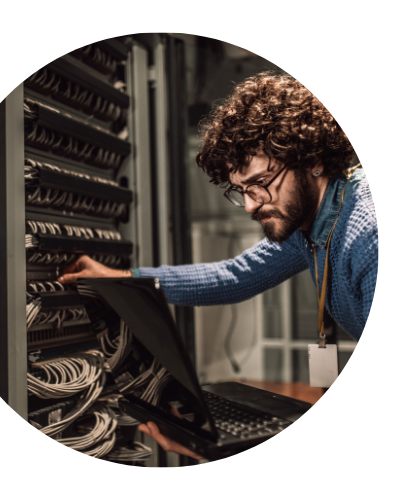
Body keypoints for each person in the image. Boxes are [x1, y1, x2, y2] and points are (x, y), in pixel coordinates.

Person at [57, 71, 378, 459]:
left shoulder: (366, 236)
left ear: (311, 160)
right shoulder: (311, 227)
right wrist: (123, 278)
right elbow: (233, 275)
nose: (250, 205)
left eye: (262, 182)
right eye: (240, 190)